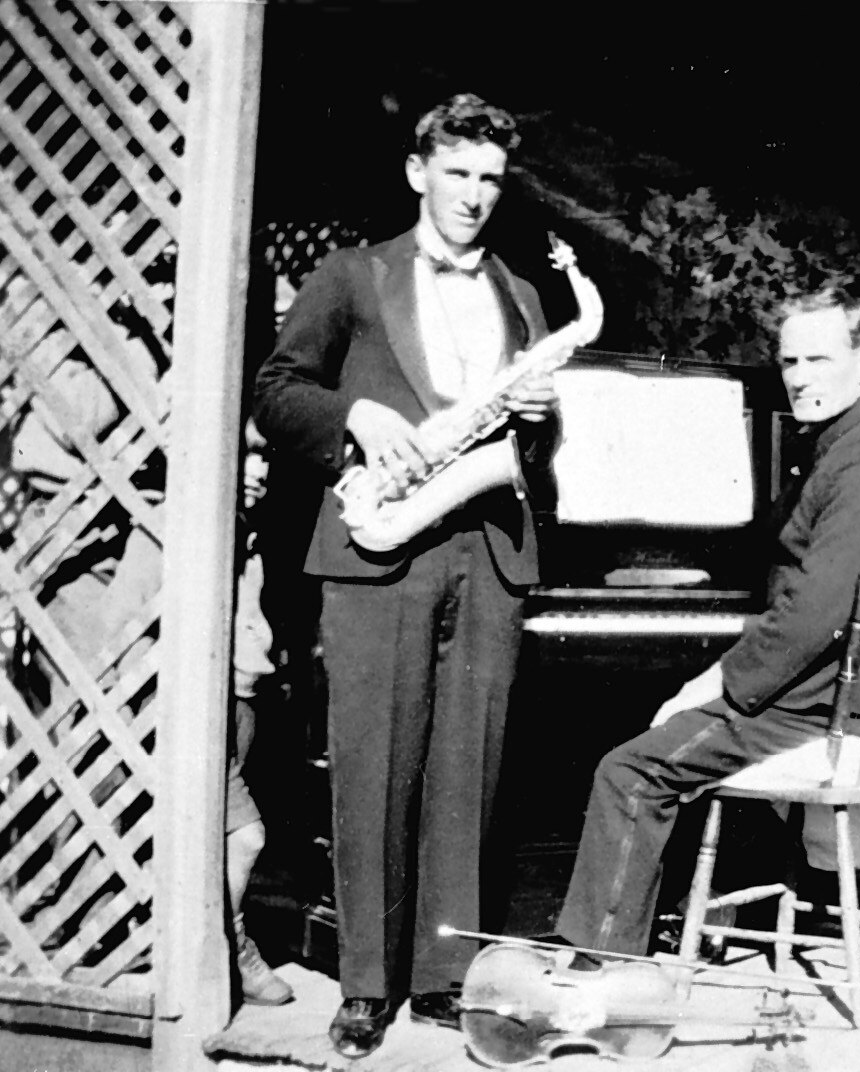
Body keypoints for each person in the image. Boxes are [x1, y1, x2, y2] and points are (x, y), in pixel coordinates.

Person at [253, 93, 557, 1058]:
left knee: (469, 771)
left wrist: (540, 420)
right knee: (373, 766)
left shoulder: (522, 293)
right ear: (417, 171)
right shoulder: (352, 275)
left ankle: (440, 974)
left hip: (486, 547)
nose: (473, 195)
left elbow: (532, 445)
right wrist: (354, 414)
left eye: (490, 179)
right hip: (379, 545)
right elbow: (275, 390)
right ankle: (366, 983)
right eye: (456, 172)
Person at [555, 287, 860, 960]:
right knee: (662, 725)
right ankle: (688, 913)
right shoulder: (838, 449)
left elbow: (814, 616)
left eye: (819, 359)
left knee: (628, 772)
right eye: (790, 361)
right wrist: (682, 574)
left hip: (828, 706)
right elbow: (782, 563)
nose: (800, 377)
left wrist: (716, 682)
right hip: (821, 691)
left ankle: (602, 962)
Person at [225, 419, 293, 1007]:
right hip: (213, 710)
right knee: (245, 836)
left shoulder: (248, 533)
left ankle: (232, 949)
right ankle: (234, 949)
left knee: (230, 839)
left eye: (265, 458)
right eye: (247, 456)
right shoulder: (207, 535)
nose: (259, 472)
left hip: (244, 701)